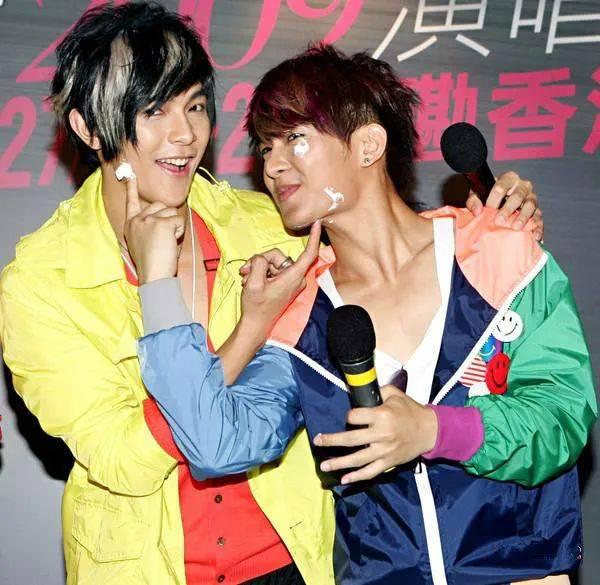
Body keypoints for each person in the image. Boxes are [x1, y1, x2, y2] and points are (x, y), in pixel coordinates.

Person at [0, 3, 542, 585]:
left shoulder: (267, 225)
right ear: (87, 127)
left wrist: (487, 225)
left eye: (195, 106)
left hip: (294, 558)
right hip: (145, 568)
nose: (184, 135)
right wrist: (249, 329)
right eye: (154, 110)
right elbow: (121, 458)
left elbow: (383, 244)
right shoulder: (40, 282)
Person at [135, 45, 596, 585]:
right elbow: (215, 446)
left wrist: (433, 430)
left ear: (368, 145)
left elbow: (562, 416)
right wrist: (158, 286)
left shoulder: (498, 255)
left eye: (295, 138)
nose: (273, 165)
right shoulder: (301, 312)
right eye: (265, 146)